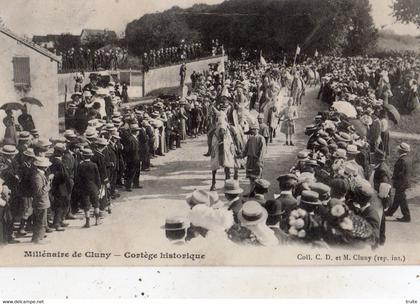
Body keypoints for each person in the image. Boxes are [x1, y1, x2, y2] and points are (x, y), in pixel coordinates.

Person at [385, 143, 411, 222]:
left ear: (401, 150)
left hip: (401, 183)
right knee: (398, 199)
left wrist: (393, 177)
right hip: (404, 182)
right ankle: (390, 212)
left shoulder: (402, 160)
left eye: (398, 149)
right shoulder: (407, 158)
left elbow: (400, 173)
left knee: (401, 200)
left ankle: (406, 216)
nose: (397, 150)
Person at [75, 148, 101, 228]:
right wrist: (99, 187)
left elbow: (78, 178)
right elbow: (98, 177)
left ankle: (87, 222)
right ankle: (97, 220)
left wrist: (78, 187)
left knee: (86, 205)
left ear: (83, 156)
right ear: (90, 156)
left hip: (84, 187)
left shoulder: (80, 165)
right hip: (93, 186)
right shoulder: (94, 165)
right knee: (96, 203)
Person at [372, 149, 391, 245]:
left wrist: (380, 196)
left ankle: (378, 240)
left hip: (379, 198)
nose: (373, 158)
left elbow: (384, 186)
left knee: (377, 217)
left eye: (374, 156)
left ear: (377, 158)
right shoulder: (381, 167)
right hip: (379, 196)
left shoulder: (381, 169)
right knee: (381, 218)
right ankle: (381, 239)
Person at [31, 157, 52, 244]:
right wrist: (48, 185)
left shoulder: (40, 175)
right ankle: (37, 239)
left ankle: (37, 238)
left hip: (42, 202)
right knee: (40, 221)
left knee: (40, 220)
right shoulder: (37, 177)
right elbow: (39, 192)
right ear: (44, 167)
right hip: (40, 202)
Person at [242, 122, 266, 196]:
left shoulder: (261, 138)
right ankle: (251, 192)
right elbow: (246, 149)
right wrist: (242, 155)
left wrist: (259, 161)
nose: (253, 131)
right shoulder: (250, 138)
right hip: (250, 160)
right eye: (252, 129)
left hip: (257, 160)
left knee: (257, 178)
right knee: (251, 178)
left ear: (258, 130)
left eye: (255, 129)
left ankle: (257, 193)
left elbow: (262, 151)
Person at [124, 124, 141, 192]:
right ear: (136, 131)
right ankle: (128, 186)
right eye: (137, 131)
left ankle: (136, 184)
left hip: (136, 157)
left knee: (137, 171)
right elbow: (128, 150)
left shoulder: (134, 138)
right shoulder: (131, 139)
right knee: (131, 172)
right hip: (132, 158)